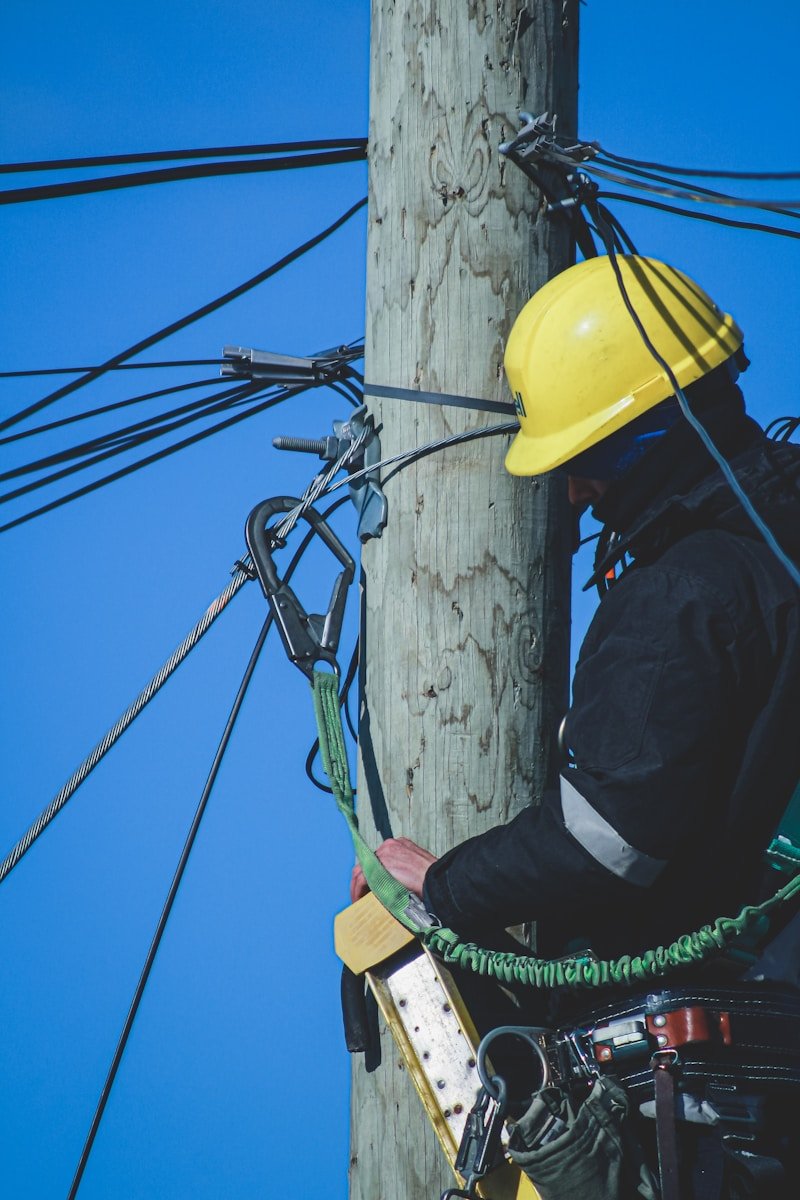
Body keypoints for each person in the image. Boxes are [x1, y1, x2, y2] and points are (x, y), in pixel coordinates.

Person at [350, 255, 800, 1195]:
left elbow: (611, 843)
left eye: (581, 460)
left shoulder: (683, 591)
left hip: (719, 1104)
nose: (573, 496)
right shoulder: (776, 553)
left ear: (642, 438)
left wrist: (443, 882)